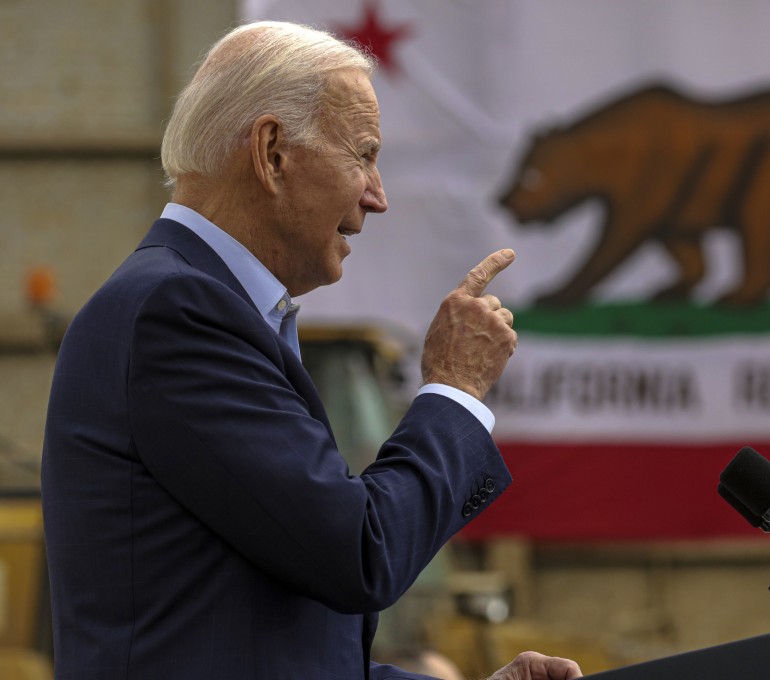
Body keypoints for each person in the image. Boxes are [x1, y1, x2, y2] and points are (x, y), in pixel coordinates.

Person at [41, 20, 582, 680]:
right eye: (363, 155)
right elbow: (360, 554)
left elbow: (295, 652)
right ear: (271, 153)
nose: (376, 199)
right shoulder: (178, 313)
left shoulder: (203, 308)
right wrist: (454, 389)